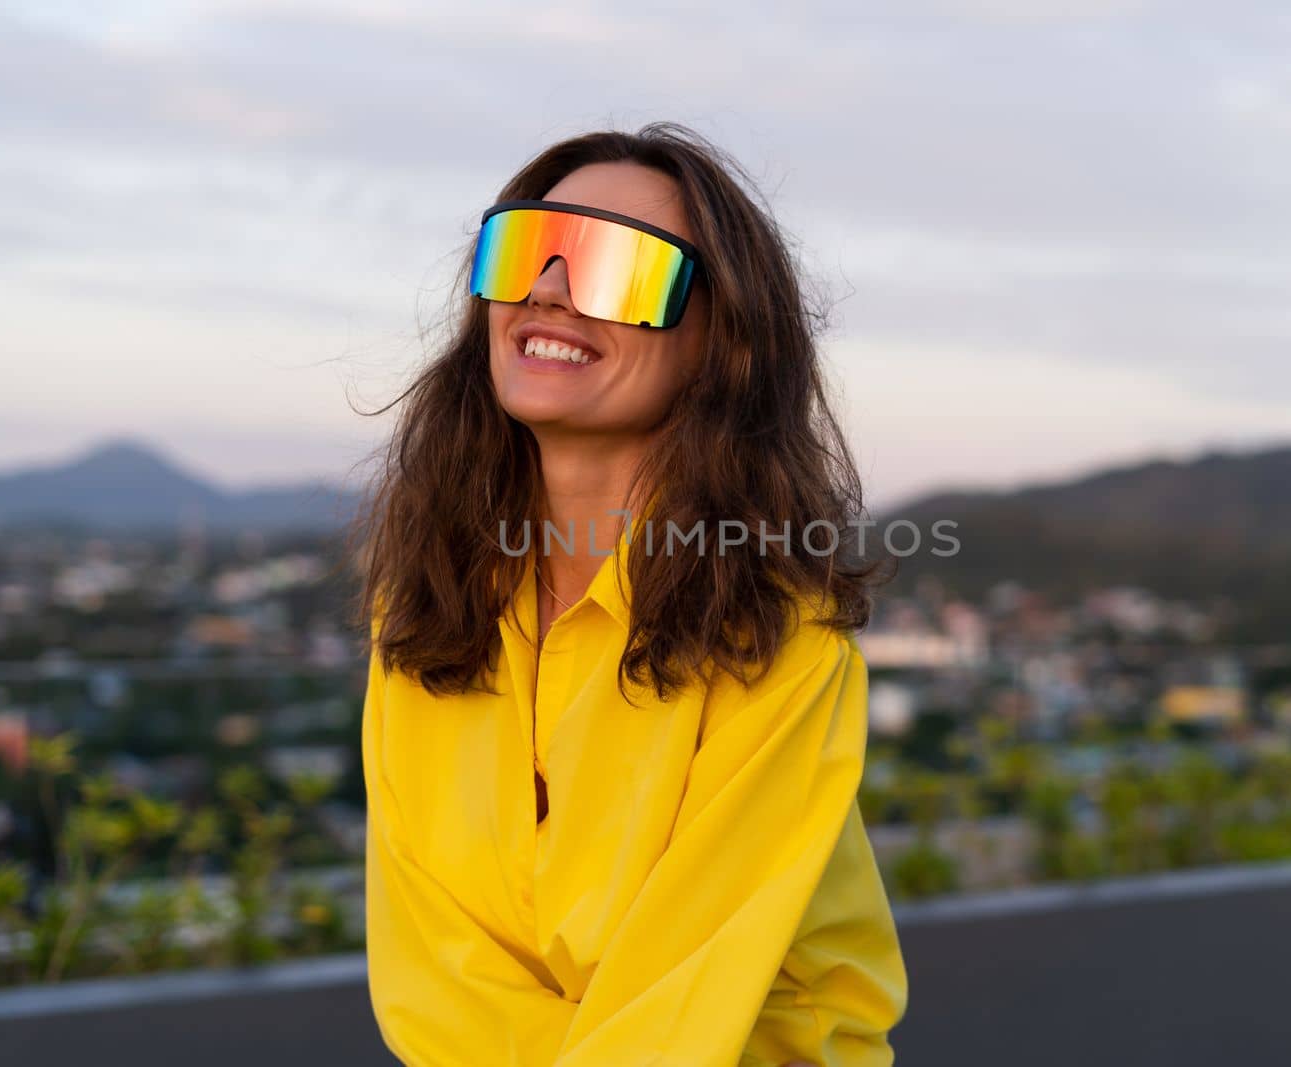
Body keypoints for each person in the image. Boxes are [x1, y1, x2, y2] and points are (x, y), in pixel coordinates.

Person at [348, 121, 907, 1066]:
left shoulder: (783, 641)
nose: (550, 289)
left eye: (619, 267)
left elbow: (676, 1011)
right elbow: (433, 977)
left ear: (721, 342)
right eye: (527, 247)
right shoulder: (428, 603)